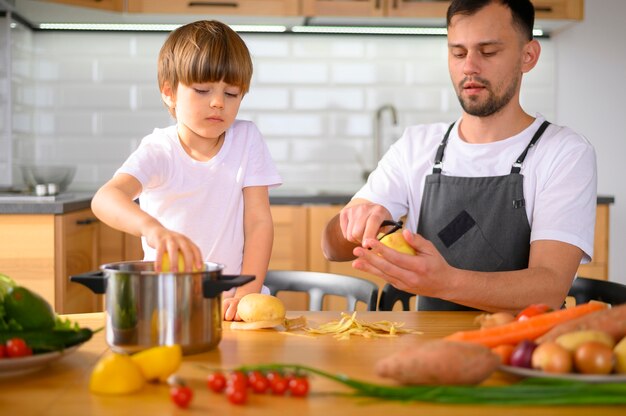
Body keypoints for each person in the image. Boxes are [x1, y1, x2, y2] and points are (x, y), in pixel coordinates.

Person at [321, 0, 597, 313]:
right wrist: (356, 223)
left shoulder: (564, 152)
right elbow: (332, 248)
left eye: (488, 51)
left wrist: (446, 282)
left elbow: (549, 287)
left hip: (523, 351)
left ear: (528, 56)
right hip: (428, 351)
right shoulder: (417, 146)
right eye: (458, 52)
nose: (469, 67)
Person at [92, 20, 282, 321]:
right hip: (165, 307)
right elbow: (105, 198)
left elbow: (259, 222)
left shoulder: (246, 139)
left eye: (231, 94)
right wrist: (152, 229)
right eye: (203, 90)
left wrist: (248, 291)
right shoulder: (160, 150)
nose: (218, 102)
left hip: (231, 304)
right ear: (169, 92)